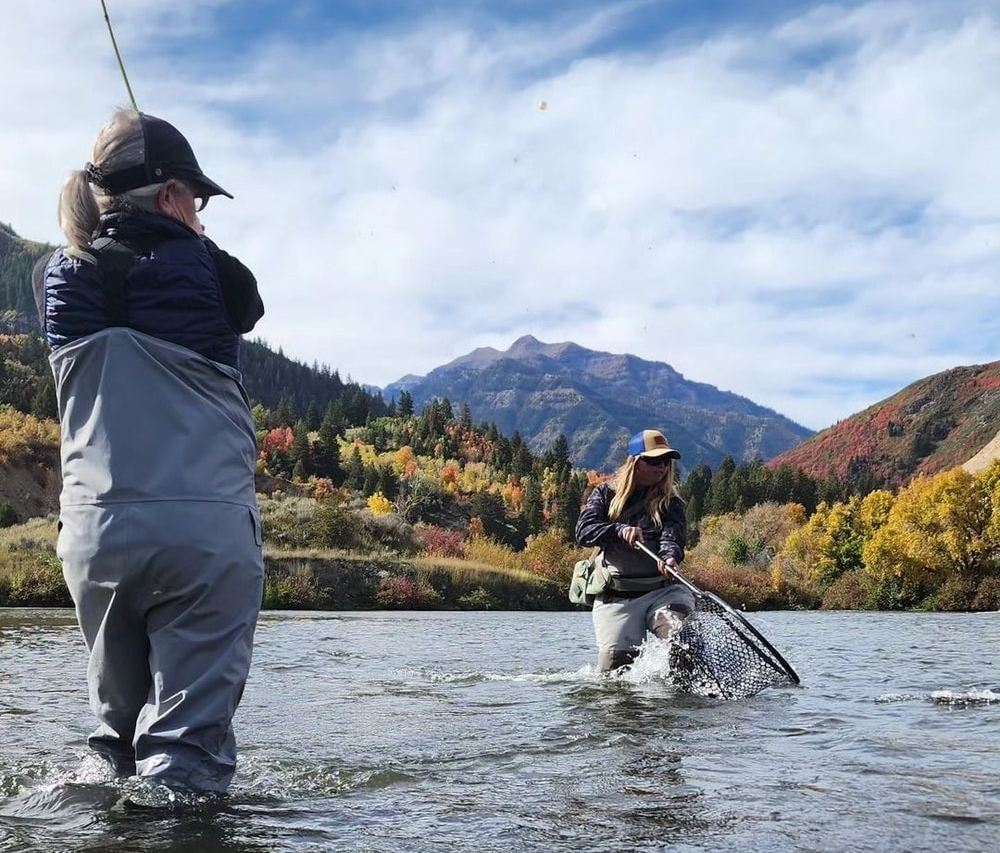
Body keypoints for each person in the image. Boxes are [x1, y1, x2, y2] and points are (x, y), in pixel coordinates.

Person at [32, 108, 265, 795]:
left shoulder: (53, 276)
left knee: (114, 744)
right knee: (186, 756)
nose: (201, 215)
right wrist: (192, 238)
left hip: (96, 540)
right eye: (195, 199)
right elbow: (246, 305)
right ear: (170, 195)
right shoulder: (214, 272)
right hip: (200, 536)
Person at [574, 429, 695, 672]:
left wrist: (670, 556)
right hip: (617, 596)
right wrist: (618, 531)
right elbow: (584, 532)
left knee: (683, 642)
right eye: (653, 461)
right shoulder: (605, 494)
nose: (661, 467)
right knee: (615, 673)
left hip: (664, 592)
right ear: (636, 462)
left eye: (665, 461)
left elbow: (673, 537)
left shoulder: (672, 503)